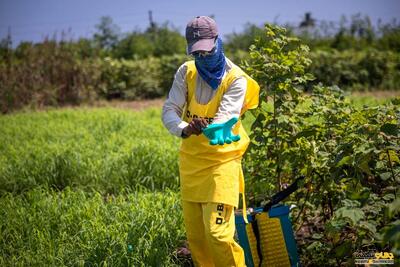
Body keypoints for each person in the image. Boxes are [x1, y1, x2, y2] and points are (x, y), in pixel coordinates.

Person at [162, 15, 259, 267]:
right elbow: (169, 110)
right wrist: (185, 128)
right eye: (197, 53)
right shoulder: (187, 71)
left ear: (217, 41)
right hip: (192, 165)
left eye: (207, 51)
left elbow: (226, 117)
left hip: (222, 163)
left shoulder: (236, 79)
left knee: (218, 235)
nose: (203, 58)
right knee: (197, 239)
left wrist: (207, 127)